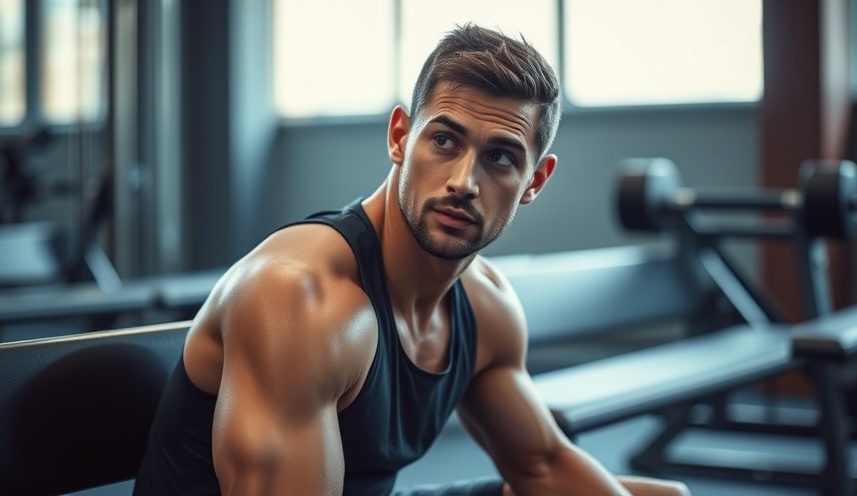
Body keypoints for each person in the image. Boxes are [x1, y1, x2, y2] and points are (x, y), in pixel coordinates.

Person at [133, 23, 691, 496]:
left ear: (534, 181)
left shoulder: (486, 307)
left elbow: (541, 465)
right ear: (401, 136)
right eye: (445, 141)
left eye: (500, 157)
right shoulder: (302, 298)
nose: (463, 182)